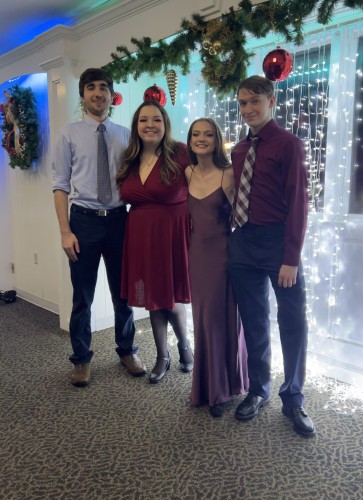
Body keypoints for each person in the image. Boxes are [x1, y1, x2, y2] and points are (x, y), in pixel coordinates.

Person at [228, 75, 315, 437]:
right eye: (243, 103)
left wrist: (291, 257)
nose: (248, 109)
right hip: (243, 243)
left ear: (271, 102)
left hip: (280, 244)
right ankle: (258, 389)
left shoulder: (289, 144)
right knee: (254, 322)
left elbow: (299, 203)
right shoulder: (238, 150)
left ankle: (293, 397)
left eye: (255, 102)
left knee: (292, 322)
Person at [52, 68, 146, 387]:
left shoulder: (125, 134)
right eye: (91, 88)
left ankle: (127, 349)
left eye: (103, 87)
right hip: (83, 221)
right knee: (83, 296)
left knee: (124, 293)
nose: (98, 93)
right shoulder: (68, 134)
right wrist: (65, 231)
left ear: (110, 95)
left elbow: (138, 177)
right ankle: (81, 359)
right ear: (82, 95)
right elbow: (60, 185)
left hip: (120, 220)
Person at [116, 100, 194, 384]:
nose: (150, 125)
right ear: (136, 126)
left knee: (170, 297)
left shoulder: (182, 153)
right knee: (151, 298)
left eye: (156, 119)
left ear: (165, 124)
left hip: (172, 235)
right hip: (139, 236)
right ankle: (163, 356)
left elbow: (202, 188)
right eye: (143, 120)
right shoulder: (130, 158)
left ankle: (185, 345)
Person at [185, 118, 249, 418]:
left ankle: (223, 389)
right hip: (196, 256)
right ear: (189, 139)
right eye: (196, 134)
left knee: (221, 320)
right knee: (202, 320)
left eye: (208, 134)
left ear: (216, 139)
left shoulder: (229, 173)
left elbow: (245, 216)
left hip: (223, 256)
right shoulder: (187, 172)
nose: (201, 139)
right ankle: (205, 385)